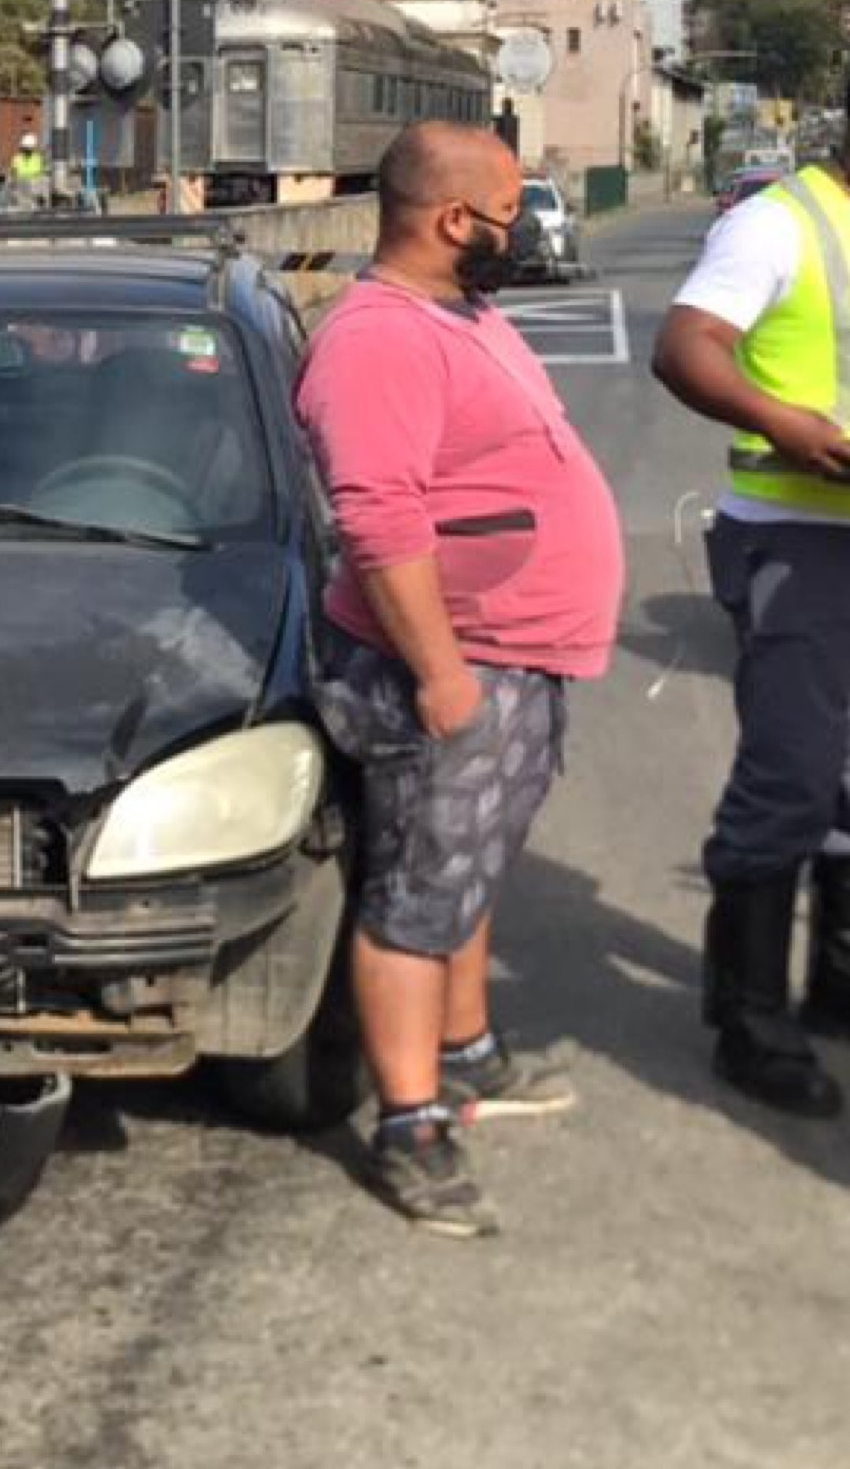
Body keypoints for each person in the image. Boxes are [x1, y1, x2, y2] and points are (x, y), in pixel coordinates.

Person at [294, 121, 623, 1237]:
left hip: (511, 655)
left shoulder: (461, 312)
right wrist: (438, 673)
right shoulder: (378, 339)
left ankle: (467, 1051)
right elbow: (379, 518)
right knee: (416, 897)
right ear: (451, 220)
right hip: (451, 665)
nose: (518, 226)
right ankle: (410, 1124)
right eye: (507, 207)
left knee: (463, 869)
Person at [651, 129, 850, 1117]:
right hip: (800, 542)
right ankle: (749, 1021)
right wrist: (788, 423)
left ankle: (838, 983)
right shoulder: (781, 223)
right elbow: (685, 346)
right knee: (794, 773)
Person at [9, 130, 48, 209]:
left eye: (28, 148)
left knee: (43, 180)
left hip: (34, 186)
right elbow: (13, 174)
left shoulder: (38, 158)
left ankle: (37, 204)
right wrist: (13, 188)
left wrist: (41, 194)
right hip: (21, 185)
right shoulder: (17, 158)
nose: (27, 150)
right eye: (25, 148)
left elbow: (42, 174)